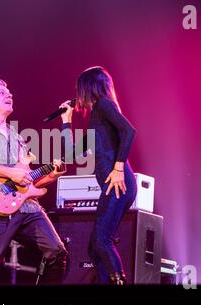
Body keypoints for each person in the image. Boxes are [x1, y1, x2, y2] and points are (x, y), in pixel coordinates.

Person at [0, 78, 67, 284]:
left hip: (26, 207)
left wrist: (51, 175)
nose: (9, 95)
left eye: (9, 93)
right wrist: (10, 174)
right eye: (1, 93)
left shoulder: (17, 137)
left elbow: (27, 181)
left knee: (57, 252)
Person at [59, 66, 137, 285]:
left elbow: (129, 131)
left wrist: (118, 168)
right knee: (96, 246)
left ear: (87, 87)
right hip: (111, 186)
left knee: (101, 241)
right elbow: (73, 154)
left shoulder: (104, 105)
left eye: (78, 88)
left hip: (118, 183)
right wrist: (66, 122)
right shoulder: (97, 120)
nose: (77, 94)